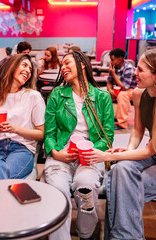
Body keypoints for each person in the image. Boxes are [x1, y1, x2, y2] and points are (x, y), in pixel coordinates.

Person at [85, 48, 156, 240]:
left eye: (140, 70)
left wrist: (109, 156)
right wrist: (128, 150)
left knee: (123, 186)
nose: (135, 72)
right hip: (153, 155)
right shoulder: (139, 94)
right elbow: (137, 131)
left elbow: (148, 151)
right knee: (120, 171)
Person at [42, 50, 114, 240]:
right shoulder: (57, 95)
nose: (63, 68)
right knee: (58, 188)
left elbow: (107, 138)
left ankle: (86, 233)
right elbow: (49, 134)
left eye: (67, 63)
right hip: (61, 154)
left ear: (82, 64)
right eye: (61, 65)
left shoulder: (102, 97)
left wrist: (89, 151)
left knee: (86, 185)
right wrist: (56, 153)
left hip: (90, 155)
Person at [0, 54, 45, 183]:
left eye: (30, 69)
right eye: (24, 65)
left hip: (22, 149)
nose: (28, 71)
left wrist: (15, 129)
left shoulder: (33, 97)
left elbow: (41, 134)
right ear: (11, 67)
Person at [106, 48, 137, 130]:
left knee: (122, 95)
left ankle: (122, 124)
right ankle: (107, 118)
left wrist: (113, 74)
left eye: (112, 60)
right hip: (119, 89)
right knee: (103, 93)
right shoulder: (113, 67)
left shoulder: (128, 68)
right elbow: (109, 82)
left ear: (120, 59)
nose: (111, 62)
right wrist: (110, 90)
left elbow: (125, 87)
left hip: (132, 90)